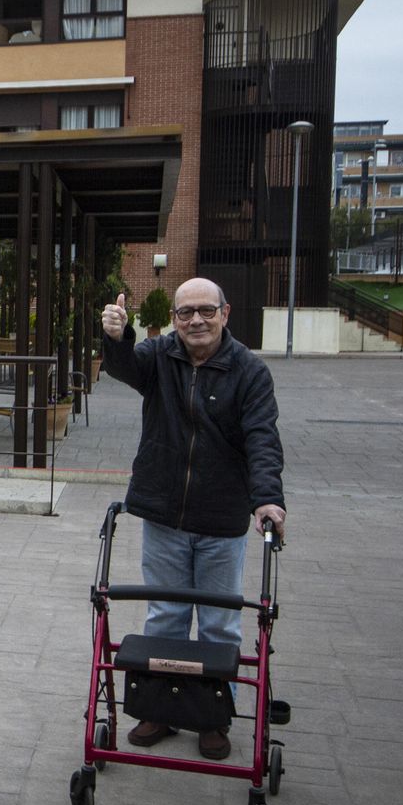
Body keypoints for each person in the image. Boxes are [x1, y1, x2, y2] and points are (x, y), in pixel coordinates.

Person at [100, 277, 285, 760]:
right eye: (186, 313)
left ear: (226, 313)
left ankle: (212, 718)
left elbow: (263, 438)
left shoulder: (249, 372)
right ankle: (160, 708)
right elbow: (121, 366)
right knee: (166, 617)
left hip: (221, 519)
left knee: (220, 626)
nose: (196, 320)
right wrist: (118, 336)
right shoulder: (161, 356)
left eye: (206, 310)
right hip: (164, 514)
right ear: (176, 320)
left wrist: (267, 498)